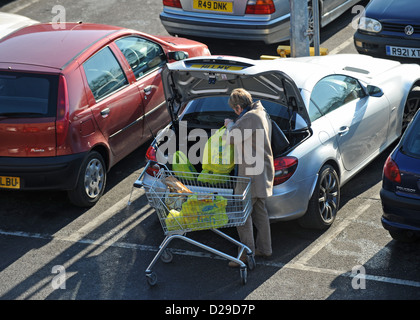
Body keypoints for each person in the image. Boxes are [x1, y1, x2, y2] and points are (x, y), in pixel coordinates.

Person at [224, 88, 274, 267]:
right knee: (260, 211)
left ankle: (246, 254)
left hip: (251, 174)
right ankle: (265, 248)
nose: (234, 112)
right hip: (260, 171)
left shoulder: (250, 117)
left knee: (241, 213)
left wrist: (229, 124)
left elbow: (232, 137)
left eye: (234, 109)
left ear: (238, 107)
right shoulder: (260, 112)